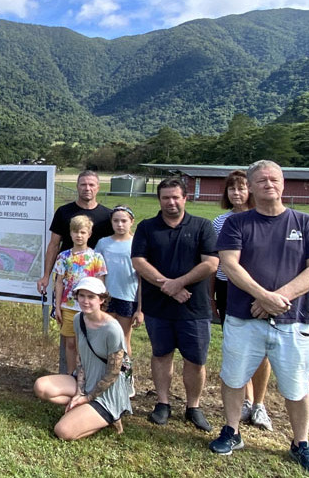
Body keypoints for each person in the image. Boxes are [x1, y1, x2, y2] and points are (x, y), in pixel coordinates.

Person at [210, 161, 309, 478]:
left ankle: (301, 443)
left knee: (297, 385)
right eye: (261, 179)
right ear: (250, 185)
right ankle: (232, 431)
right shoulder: (237, 224)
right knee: (233, 378)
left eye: (274, 178)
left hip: (293, 321)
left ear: (283, 183)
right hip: (242, 318)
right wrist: (262, 296)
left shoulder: (306, 223)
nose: (268, 183)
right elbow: (230, 265)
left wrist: (277, 298)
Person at [131, 177, 218, 431]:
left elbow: (211, 263)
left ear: (185, 198)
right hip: (158, 307)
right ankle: (163, 403)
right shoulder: (148, 227)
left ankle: (194, 406)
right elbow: (139, 261)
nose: (170, 202)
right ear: (159, 200)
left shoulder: (202, 226)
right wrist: (167, 287)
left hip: (195, 307)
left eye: (175, 197)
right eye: (165, 197)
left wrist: (178, 283)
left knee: (196, 360)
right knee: (161, 355)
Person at [33, 277, 132, 440]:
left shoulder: (112, 329)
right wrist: (80, 391)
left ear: (101, 300)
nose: (85, 301)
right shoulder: (79, 319)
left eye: (91, 297)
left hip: (107, 391)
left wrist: (87, 397)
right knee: (41, 386)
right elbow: (81, 358)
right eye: (82, 296)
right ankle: (87, 411)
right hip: (86, 379)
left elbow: (113, 374)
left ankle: (110, 416)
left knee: (62, 431)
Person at [210, 170, 272, 431]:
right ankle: (245, 400)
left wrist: (263, 294)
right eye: (231, 189)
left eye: (241, 188)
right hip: (227, 289)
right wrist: (211, 295)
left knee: (262, 349)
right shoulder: (219, 222)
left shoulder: (263, 219)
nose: (236, 193)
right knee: (237, 346)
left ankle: (259, 404)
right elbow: (215, 263)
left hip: (257, 290)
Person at [36, 170, 113, 298]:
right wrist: (46, 276)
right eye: (83, 184)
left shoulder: (107, 216)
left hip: (95, 279)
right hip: (67, 277)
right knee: (65, 315)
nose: (87, 188)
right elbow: (54, 245)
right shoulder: (63, 212)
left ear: (98, 188)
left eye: (91, 185)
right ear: (77, 187)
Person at [52, 215, 107, 374]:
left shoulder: (96, 257)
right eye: (75, 232)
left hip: (89, 308)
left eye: (83, 232)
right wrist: (57, 307)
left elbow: (100, 284)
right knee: (70, 344)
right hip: (68, 306)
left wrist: (99, 307)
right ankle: (71, 375)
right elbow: (59, 282)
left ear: (89, 234)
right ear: (70, 234)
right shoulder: (64, 256)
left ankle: (87, 376)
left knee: (86, 344)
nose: (79, 236)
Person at [94, 206, 142, 370]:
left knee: (123, 337)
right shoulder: (103, 243)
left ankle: (126, 376)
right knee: (106, 336)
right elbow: (97, 270)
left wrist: (140, 309)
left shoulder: (137, 242)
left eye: (124, 221)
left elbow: (142, 277)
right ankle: (106, 373)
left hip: (127, 297)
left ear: (131, 222)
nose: (120, 224)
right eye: (116, 221)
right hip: (107, 297)